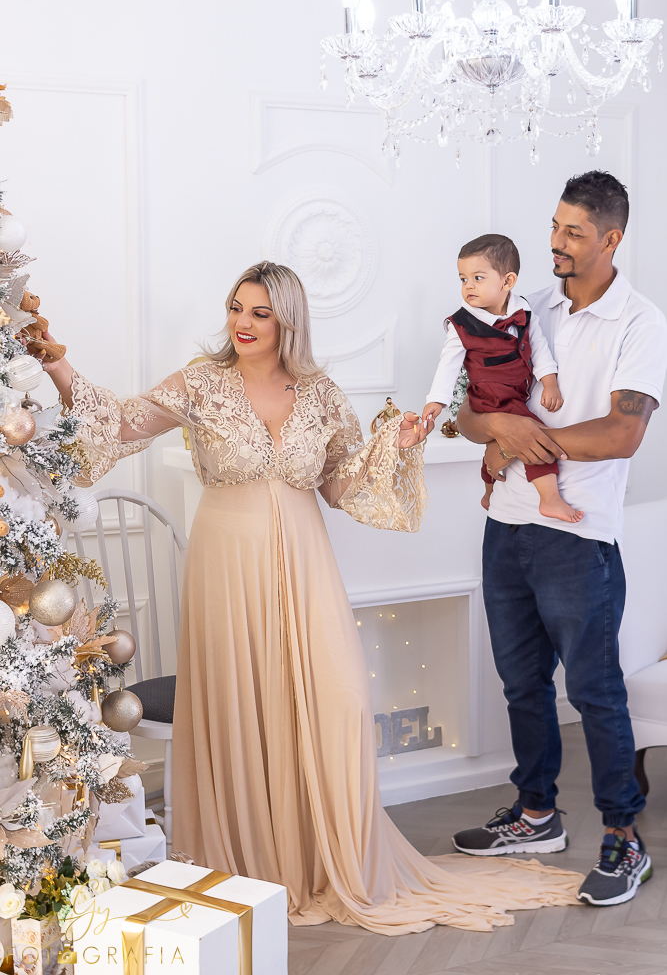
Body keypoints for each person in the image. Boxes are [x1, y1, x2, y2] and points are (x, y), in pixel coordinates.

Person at [43, 261, 581, 934]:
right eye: (237, 308)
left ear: (288, 321)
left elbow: (344, 484)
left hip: (304, 562)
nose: (242, 322)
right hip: (225, 563)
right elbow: (118, 425)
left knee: (339, 699)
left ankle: (328, 856)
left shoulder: (321, 393)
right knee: (242, 703)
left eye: (260, 313)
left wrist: (395, 442)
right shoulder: (202, 381)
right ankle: (249, 865)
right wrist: (56, 362)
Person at [452, 172, 667, 907]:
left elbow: (621, 432)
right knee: (520, 685)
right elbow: (467, 410)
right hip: (504, 528)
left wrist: (524, 435)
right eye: (553, 226)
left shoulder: (639, 322)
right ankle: (536, 814)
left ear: (611, 239)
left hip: (577, 540)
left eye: (573, 232)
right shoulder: (525, 305)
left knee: (596, 692)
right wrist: (495, 428)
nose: (554, 243)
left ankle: (622, 838)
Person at [423, 234, 583, 523]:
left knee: (497, 447)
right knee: (535, 438)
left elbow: (540, 351)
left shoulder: (524, 312)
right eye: (462, 279)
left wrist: (550, 383)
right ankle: (550, 499)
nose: (468, 286)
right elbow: (448, 365)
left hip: (515, 392)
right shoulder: (462, 324)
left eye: (478, 277)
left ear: (508, 281)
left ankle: (488, 491)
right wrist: (436, 402)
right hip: (489, 396)